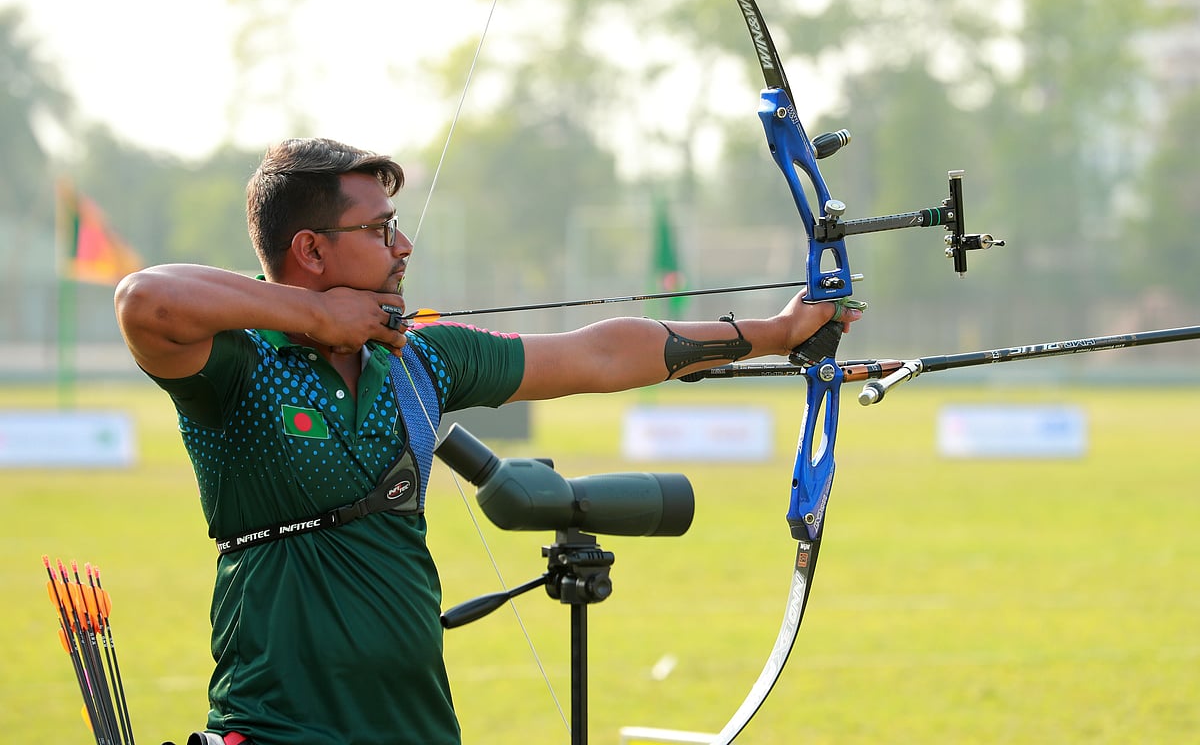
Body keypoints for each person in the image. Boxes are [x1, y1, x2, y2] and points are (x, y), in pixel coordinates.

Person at [114, 137, 863, 745]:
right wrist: (312, 320)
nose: (402, 245)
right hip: (278, 727)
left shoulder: (421, 356)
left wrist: (770, 333)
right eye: (378, 229)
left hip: (417, 727)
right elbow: (145, 298)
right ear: (310, 250)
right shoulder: (237, 365)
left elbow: (599, 353)